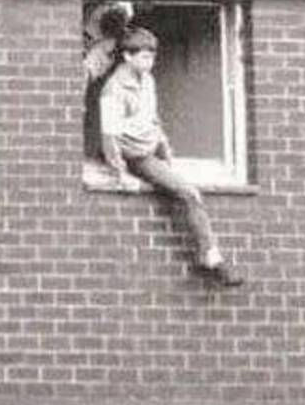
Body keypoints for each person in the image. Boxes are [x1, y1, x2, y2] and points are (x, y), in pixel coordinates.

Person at [99, 27, 243, 287]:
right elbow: (109, 136)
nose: (149, 63)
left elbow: (153, 118)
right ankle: (210, 256)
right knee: (189, 193)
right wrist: (121, 173)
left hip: (152, 148)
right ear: (127, 57)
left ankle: (209, 254)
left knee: (186, 184)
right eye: (143, 57)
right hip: (137, 156)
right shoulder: (113, 89)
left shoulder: (148, 80)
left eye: (152, 57)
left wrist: (166, 149)